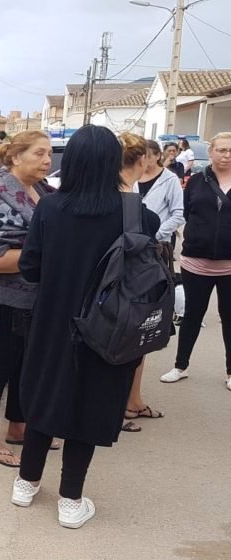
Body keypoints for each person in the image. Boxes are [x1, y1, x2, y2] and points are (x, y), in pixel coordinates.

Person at [11, 125, 160, 529]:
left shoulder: (50, 208)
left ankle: (26, 483)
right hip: (109, 326)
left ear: (71, 161)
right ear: (114, 162)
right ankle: (71, 501)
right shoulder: (135, 213)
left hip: (52, 320)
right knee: (89, 403)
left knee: (44, 391)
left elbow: (30, 267)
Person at [0, 130, 55, 468]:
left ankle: (18, 426)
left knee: (24, 363)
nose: (47, 160)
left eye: (49, 153)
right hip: (1, 295)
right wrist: (50, 257)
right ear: (16, 156)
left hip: (31, 297)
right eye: (39, 153)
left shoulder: (44, 191)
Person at [160, 132, 231, 391]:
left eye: (230, 150)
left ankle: (230, 370)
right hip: (196, 261)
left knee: (229, 317)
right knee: (192, 315)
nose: (226, 155)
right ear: (210, 152)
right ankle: (180, 365)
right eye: (221, 149)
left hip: (230, 265)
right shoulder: (197, 181)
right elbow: (186, 212)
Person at [117, 134, 174, 431]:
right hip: (129, 289)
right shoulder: (136, 209)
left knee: (133, 348)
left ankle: (132, 400)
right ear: (142, 160)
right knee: (127, 347)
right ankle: (119, 409)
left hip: (118, 289)